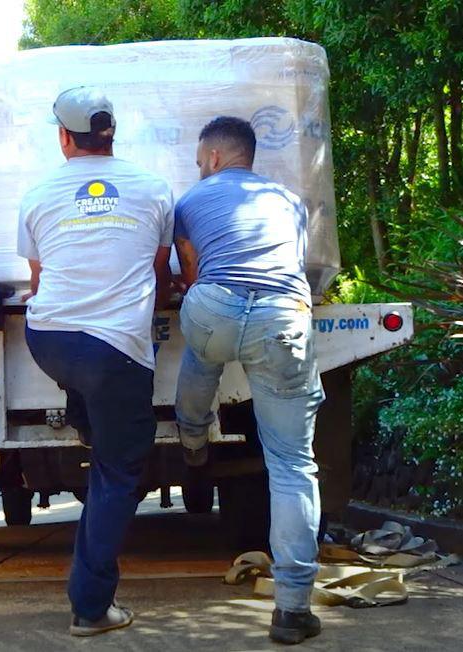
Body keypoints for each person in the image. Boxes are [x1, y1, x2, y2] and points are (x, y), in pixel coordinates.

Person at [18, 87, 174, 637]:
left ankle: (83, 419)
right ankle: (90, 606)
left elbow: (39, 282)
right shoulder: (155, 190)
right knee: (117, 470)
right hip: (114, 352)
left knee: (86, 380)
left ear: (64, 136)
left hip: (50, 341)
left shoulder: (37, 195)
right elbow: (158, 275)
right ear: (112, 133)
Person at [172, 116, 324, 645]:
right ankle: (293, 608)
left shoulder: (190, 202)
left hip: (213, 310)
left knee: (202, 349)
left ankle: (192, 439)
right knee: (292, 465)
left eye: (198, 162)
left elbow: (189, 271)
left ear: (213, 159)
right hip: (282, 320)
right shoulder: (289, 201)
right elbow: (297, 264)